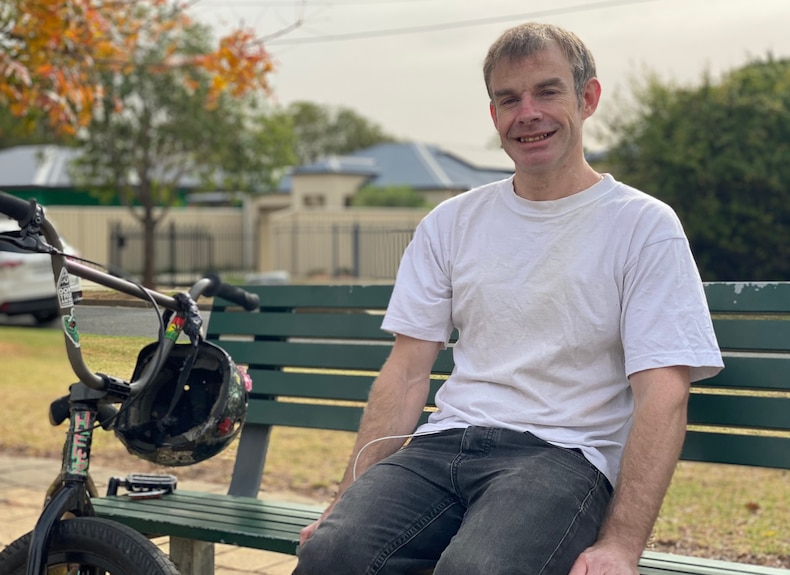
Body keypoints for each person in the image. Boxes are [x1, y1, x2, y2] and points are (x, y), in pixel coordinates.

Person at [293, 21, 724, 575]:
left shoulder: (642, 226)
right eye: (508, 99)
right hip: (442, 446)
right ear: (493, 114)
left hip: (564, 459)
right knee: (332, 553)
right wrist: (342, 504)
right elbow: (405, 372)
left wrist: (620, 546)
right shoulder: (451, 222)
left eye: (548, 91)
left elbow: (663, 393)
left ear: (588, 98)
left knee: (476, 569)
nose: (528, 113)